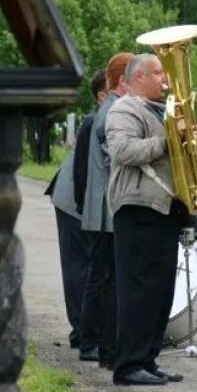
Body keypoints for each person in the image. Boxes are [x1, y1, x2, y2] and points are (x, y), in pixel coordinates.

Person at [105, 53, 191, 387]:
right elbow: (123, 151)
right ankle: (128, 365)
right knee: (139, 290)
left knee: (159, 290)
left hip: (163, 208)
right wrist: (169, 141)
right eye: (157, 72)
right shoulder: (125, 109)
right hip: (138, 208)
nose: (164, 78)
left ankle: (148, 359)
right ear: (138, 76)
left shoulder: (159, 109)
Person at [45, 68, 106, 355]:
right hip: (72, 198)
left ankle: (88, 329)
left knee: (89, 265)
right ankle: (81, 332)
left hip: (84, 197)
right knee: (79, 266)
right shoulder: (101, 117)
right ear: (102, 94)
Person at [79, 52, 132, 370]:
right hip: (105, 211)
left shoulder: (110, 107)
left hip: (104, 209)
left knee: (103, 277)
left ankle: (95, 341)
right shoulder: (112, 109)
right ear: (124, 79)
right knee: (104, 278)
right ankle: (96, 342)